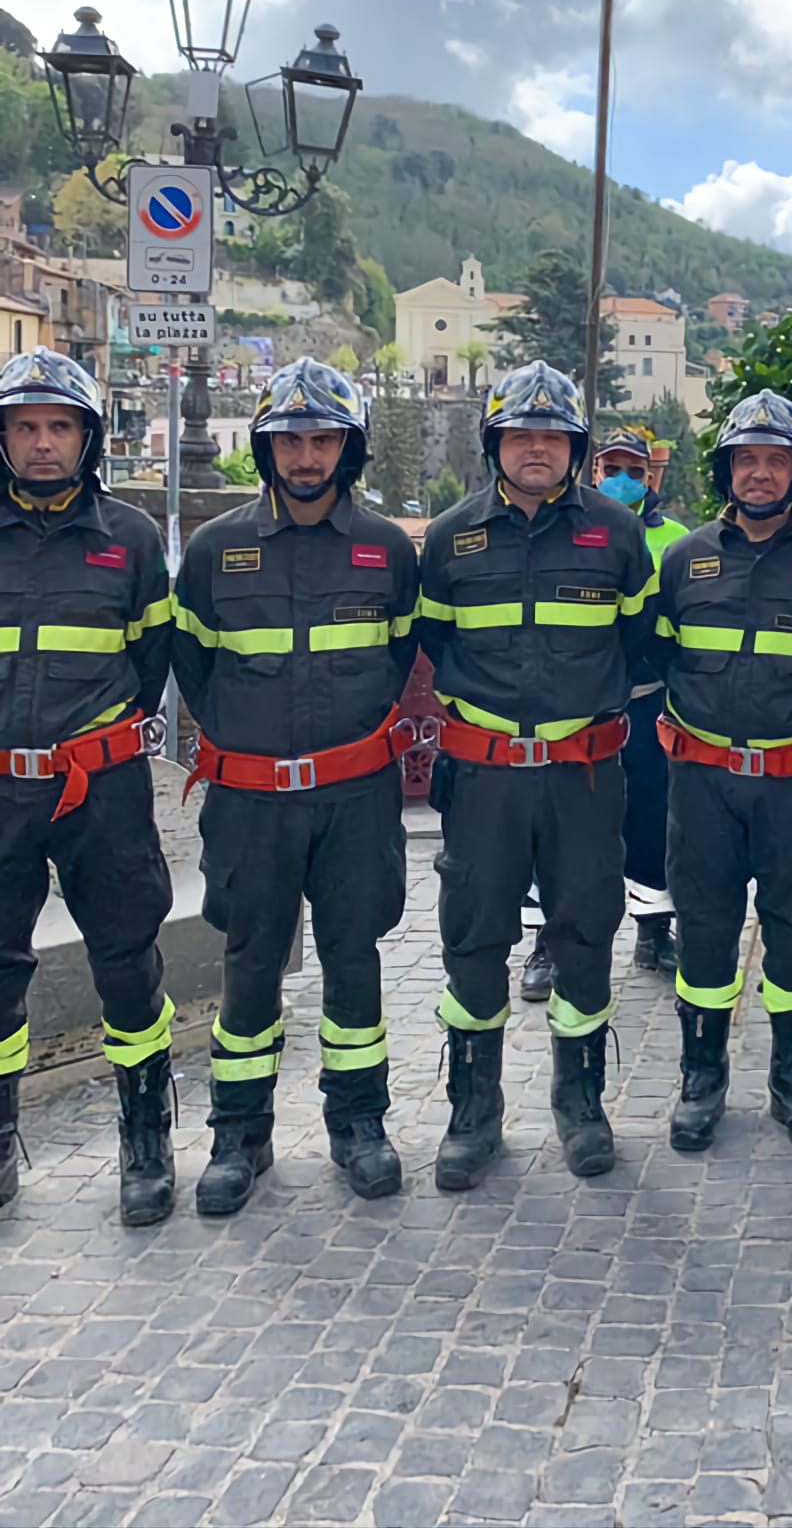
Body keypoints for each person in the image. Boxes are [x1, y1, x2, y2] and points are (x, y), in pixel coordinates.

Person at [172, 358, 418, 1214]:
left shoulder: (385, 550)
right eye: (289, 441)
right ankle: (239, 1134)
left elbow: (396, 661)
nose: (305, 457)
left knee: (355, 960)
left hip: (355, 799)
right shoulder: (214, 550)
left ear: (347, 448)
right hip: (251, 801)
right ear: (267, 448)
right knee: (248, 964)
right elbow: (194, 671)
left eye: (321, 440)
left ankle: (359, 1123)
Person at [417, 362, 655, 1184]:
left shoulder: (617, 536)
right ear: (495, 443)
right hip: (484, 778)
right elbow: (436, 645)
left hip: (583, 777)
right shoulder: (451, 537)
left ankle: (580, 1102)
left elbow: (641, 645)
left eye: (553, 438)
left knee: (587, 930)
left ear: (575, 448)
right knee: (475, 937)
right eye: (522, 436)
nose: (537, 450)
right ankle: (473, 1113)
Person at [651, 390, 792, 1156]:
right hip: (702, 784)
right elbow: (659, 653)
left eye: (776, 461)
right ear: (726, 469)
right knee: (703, 929)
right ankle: (700, 1077)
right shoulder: (684, 561)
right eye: (748, 459)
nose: (761, 474)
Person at [0, 349, 175, 1226]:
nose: (40, 444)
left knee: (124, 959)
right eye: (25, 427)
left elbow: (151, 669)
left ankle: (146, 1133)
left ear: (88, 437)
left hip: (99, 790)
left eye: (58, 427)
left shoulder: (132, 539)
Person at [594, 426, 690, 974]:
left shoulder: (676, 538)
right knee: (571, 822)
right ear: (595, 472)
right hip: (583, 704)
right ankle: (548, 941)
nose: (623, 480)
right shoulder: (576, 527)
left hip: (650, 700)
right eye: (613, 469)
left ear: (651, 476)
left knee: (654, 816)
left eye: (634, 470)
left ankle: (654, 930)